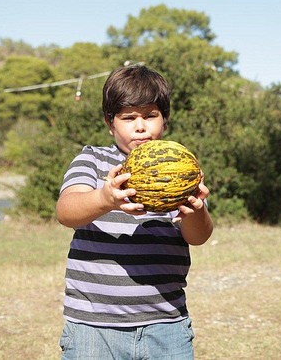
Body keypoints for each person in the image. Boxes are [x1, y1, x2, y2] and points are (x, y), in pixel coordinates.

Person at [56, 65, 213, 359]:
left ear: (164, 120)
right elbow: (66, 211)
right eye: (129, 117)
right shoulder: (93, 159)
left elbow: (198, 237)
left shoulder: (177, 165)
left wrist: (196, 210)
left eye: (150, 115)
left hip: (166, 322)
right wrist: (106, 199)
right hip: (94, 324)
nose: (140, 126)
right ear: (110, 123)